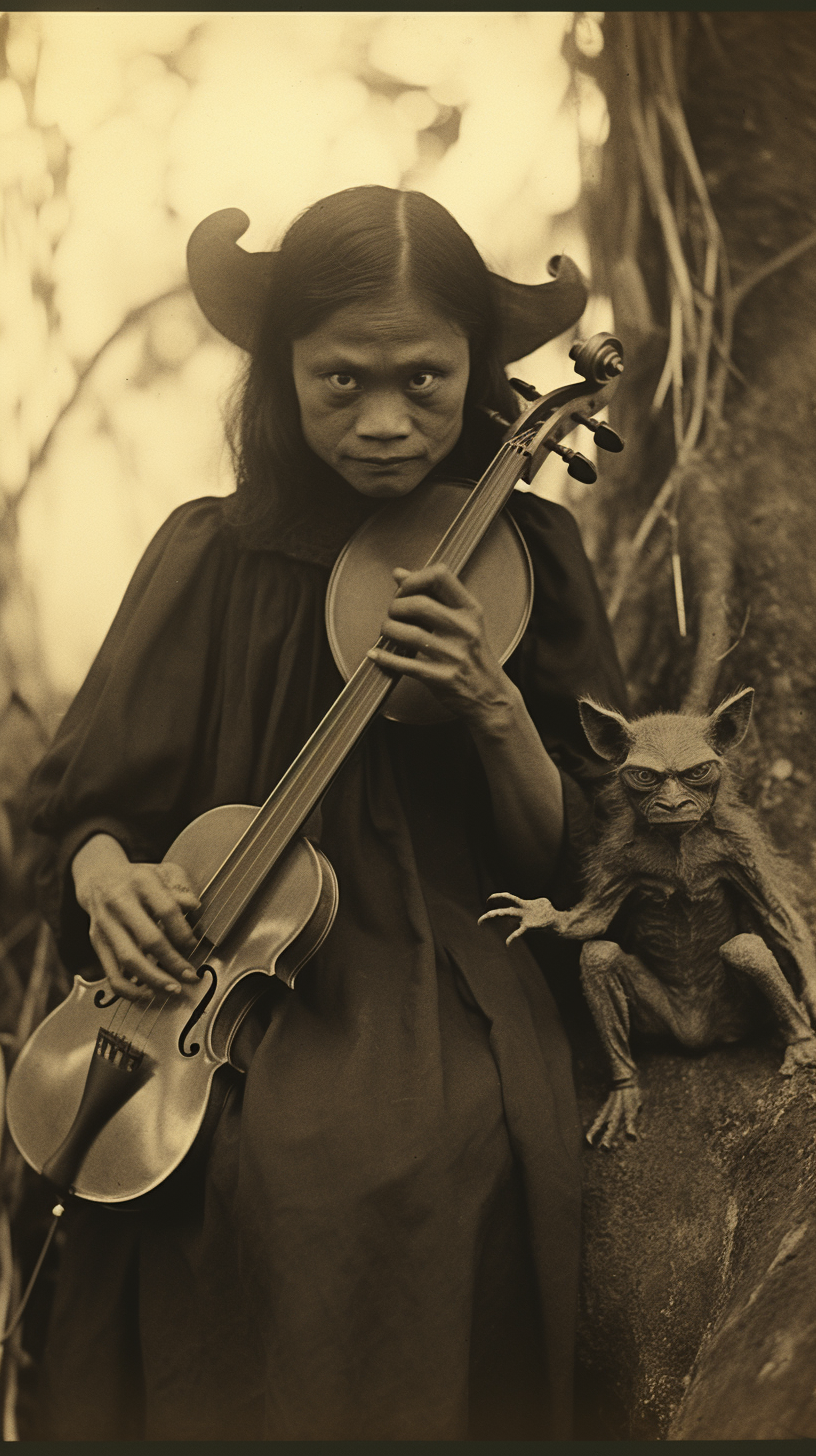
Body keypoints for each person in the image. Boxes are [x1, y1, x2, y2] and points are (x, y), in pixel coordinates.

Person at [26, 185, 627, 1441]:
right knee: (169, 1174)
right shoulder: (210, 553)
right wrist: (105, 881)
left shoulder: (532, 558)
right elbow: (87, 805)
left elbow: (568, 856)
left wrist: (489, 702)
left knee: (377, 1163)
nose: (385, 422)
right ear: (281, 369)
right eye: (340, 382)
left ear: (479, 370)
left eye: (425, 380)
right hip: (217, 946)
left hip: (440, 964)